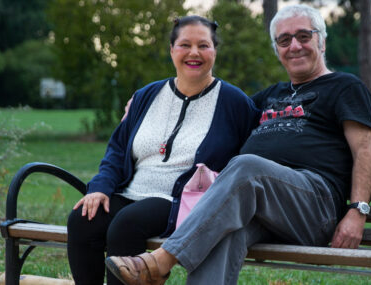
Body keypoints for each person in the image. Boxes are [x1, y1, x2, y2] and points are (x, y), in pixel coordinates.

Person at [105, 4, 371, 285]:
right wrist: (142, 103)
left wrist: (358, 212)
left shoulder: (345, 87)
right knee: (223, 229)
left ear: (321, 40)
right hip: (262, 209)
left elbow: (364, 150)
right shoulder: (268, 96)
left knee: (247, 166)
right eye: (284, 40)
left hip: (312, 206)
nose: (294, 46)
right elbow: (211, 103)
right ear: (277, 49)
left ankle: (159, 263)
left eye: (304, 36)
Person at [66, 15, 259, 285]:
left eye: (203, 45)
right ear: (172, 50)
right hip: (130, 191)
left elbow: (257, 141)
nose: (194, 53)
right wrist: (99, 187)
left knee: (126, 224)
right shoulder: (146, 95)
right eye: (185, 45)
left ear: (215, 51)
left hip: (180, 201)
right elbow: (117, 150)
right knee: (83, 219)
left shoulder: (234, 102)